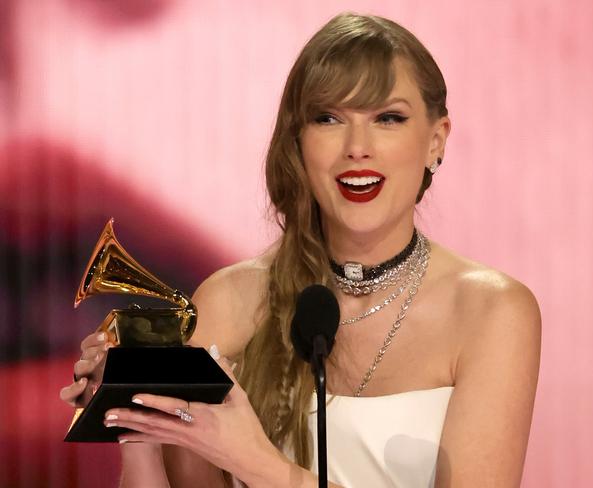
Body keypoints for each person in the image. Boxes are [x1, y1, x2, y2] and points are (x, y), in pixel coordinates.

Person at [60, 12, 541, 488]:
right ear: (298, 140)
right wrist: (133, 417)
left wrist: (256, 464)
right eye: (328, 118)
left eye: (387, 118)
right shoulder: (229, 301)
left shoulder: (493, 311)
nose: (357, 147)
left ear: (436, 140)